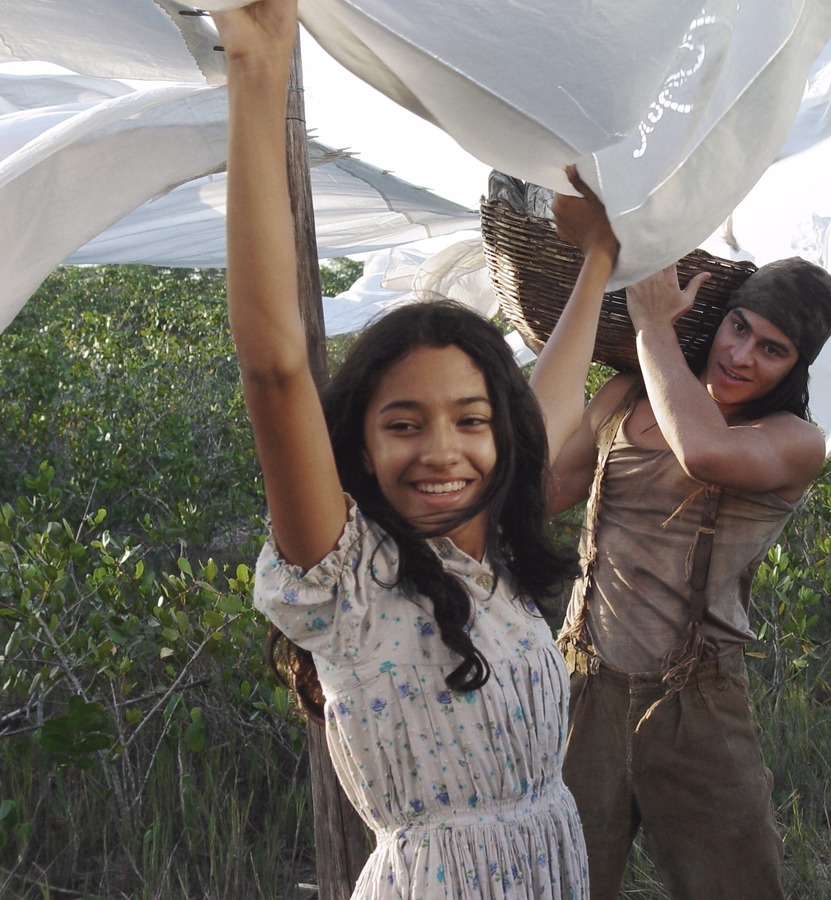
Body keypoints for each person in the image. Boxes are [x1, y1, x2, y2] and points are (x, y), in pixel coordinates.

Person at [213, 2, 588, 896]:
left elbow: (550, 403)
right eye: (404, 423)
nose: (442, 450)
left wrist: (601, 260)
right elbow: (273, 368)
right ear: (361, 443)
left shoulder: (489, 551)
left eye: (470, 419)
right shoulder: (350, 574)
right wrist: (259, 72)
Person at [531, 173, 831, 898]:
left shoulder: (791, 440)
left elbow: (702, 451)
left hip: (695, 702)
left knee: (733, 885)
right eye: (740, 328)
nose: (742, 357)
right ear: (720, 316)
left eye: (773, 350)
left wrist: (650, 325)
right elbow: (546, 495)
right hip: (586, 685)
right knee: (565, 880)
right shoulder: (623, 398)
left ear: (795, 369)